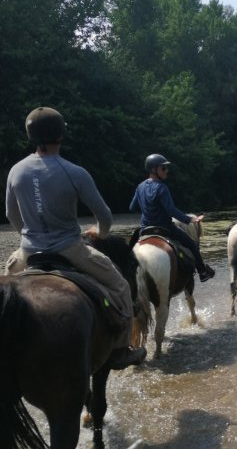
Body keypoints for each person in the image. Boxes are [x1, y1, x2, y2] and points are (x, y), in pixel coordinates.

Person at [5, 106, 145, 370]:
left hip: (28, 252)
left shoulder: (15, 171)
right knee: (121, 287)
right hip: (71, 249)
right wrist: (98, 233)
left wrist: (28, 235)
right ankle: (121, 349)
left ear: (30, 135)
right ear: (61, 135)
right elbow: (104, 217)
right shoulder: (75, 172)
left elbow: (10, 213)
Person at [129, 154, 215, 282]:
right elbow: (171, 210)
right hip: (164, 228)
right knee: (192, 245)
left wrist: (146, 207)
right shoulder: (162, 188)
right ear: (154, 169)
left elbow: (132, 207)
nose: (166, 170)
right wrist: (190, 219)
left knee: (128, 251)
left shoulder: (140, 187)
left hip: (144, 229)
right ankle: (202, 272)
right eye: (163, 168)